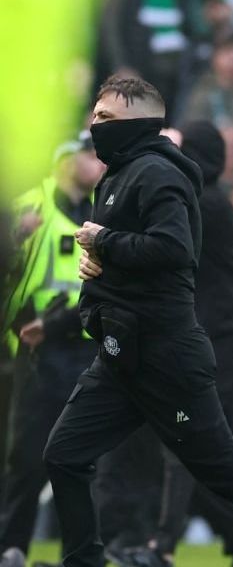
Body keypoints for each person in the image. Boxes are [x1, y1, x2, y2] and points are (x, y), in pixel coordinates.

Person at [44, 76, 233, 567]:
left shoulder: (156, 173)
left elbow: (174, 249)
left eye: (106, 118)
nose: (94, 126)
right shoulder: (116, 175)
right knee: (64, 454)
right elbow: (124, 251)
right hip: (120, 355)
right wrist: (98, 264)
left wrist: (105, 243)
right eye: (94, 115)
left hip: (166, 358)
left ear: (140, 124)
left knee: (228, 471)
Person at [0, 133, 104, 556]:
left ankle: (78, 550)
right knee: (27, 455)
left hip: (86, 344)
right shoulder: (31, 206)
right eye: (86, 155)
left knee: (81, 458)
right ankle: (13, 545)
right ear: (64, 161)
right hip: (38, 347)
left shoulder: (100, 208)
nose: (95, 163)